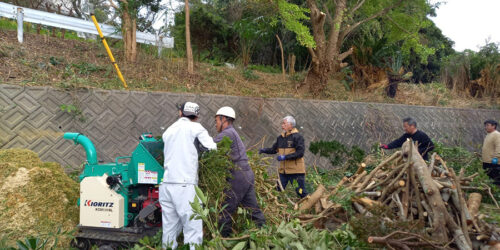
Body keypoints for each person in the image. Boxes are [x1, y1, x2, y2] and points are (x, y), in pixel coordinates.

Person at [159, 102, 217, 250]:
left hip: (166, 185)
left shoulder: (169, 131)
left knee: (169, 229)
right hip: (185, 185)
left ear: (180, 113)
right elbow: (212, 148)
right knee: (192, 228)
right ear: (196, 116)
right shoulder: (196, 128)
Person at [213, 106, 266, 237]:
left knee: (225, 209)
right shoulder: (233, 133)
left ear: (223, 119)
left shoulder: (227, 133)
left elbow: (210, 146)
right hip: (246, 175)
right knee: (253, 209)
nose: (215, 124)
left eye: (217, 121)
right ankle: (265, 233)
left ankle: (224, 240)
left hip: (238, 175)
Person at [259, 116, 308, 198]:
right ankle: (274, 207)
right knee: (277, 191)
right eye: (282, 123)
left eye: (284, 123)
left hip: (296, 172)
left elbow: (300, 153)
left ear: (291, 125)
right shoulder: (280, 138)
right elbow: (273, 150)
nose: (282, 125)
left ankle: (308, 205)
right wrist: (264, 150)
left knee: (300, 191)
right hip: (283, 172)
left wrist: (285, 157)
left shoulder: (297, 137)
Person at [482, 119, 500, 185]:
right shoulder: (488, 134)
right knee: (488, 178)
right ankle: (489, 191)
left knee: (495, 179)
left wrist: (496, 157)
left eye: (487, 125)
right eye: (485, 125)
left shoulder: (497, 135)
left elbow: (499, 147)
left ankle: (496, 193)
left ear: (493, 126)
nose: (486, 127)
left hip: (493, 162)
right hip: (486, 161)